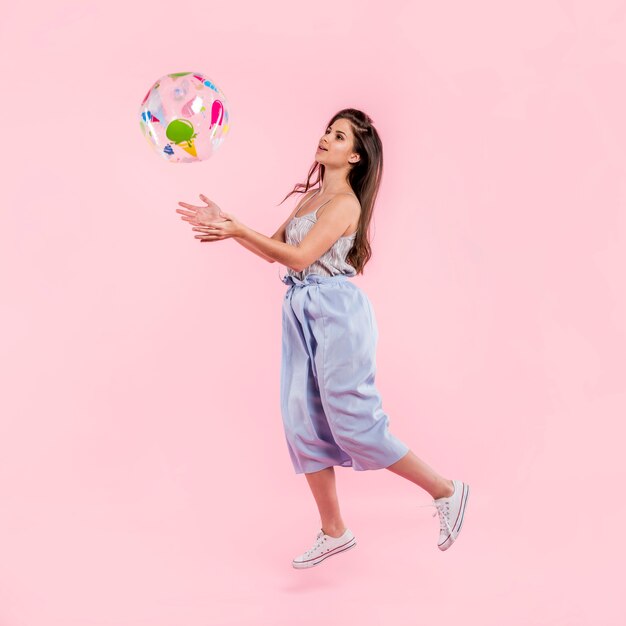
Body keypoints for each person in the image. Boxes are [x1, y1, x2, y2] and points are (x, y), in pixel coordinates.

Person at [176, 108, 470, 569]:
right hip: (300, 311)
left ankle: (446, 489)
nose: (325, 139)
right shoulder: (313, 197)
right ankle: (335, 531)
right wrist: (230, 227)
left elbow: (300, 257)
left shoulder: (345, 205)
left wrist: (237, 228)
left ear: (354, 155)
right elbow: (275, 250)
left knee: (355, 423)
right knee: (301, 423)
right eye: (327, 132)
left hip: (336, 314)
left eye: (338, 136)